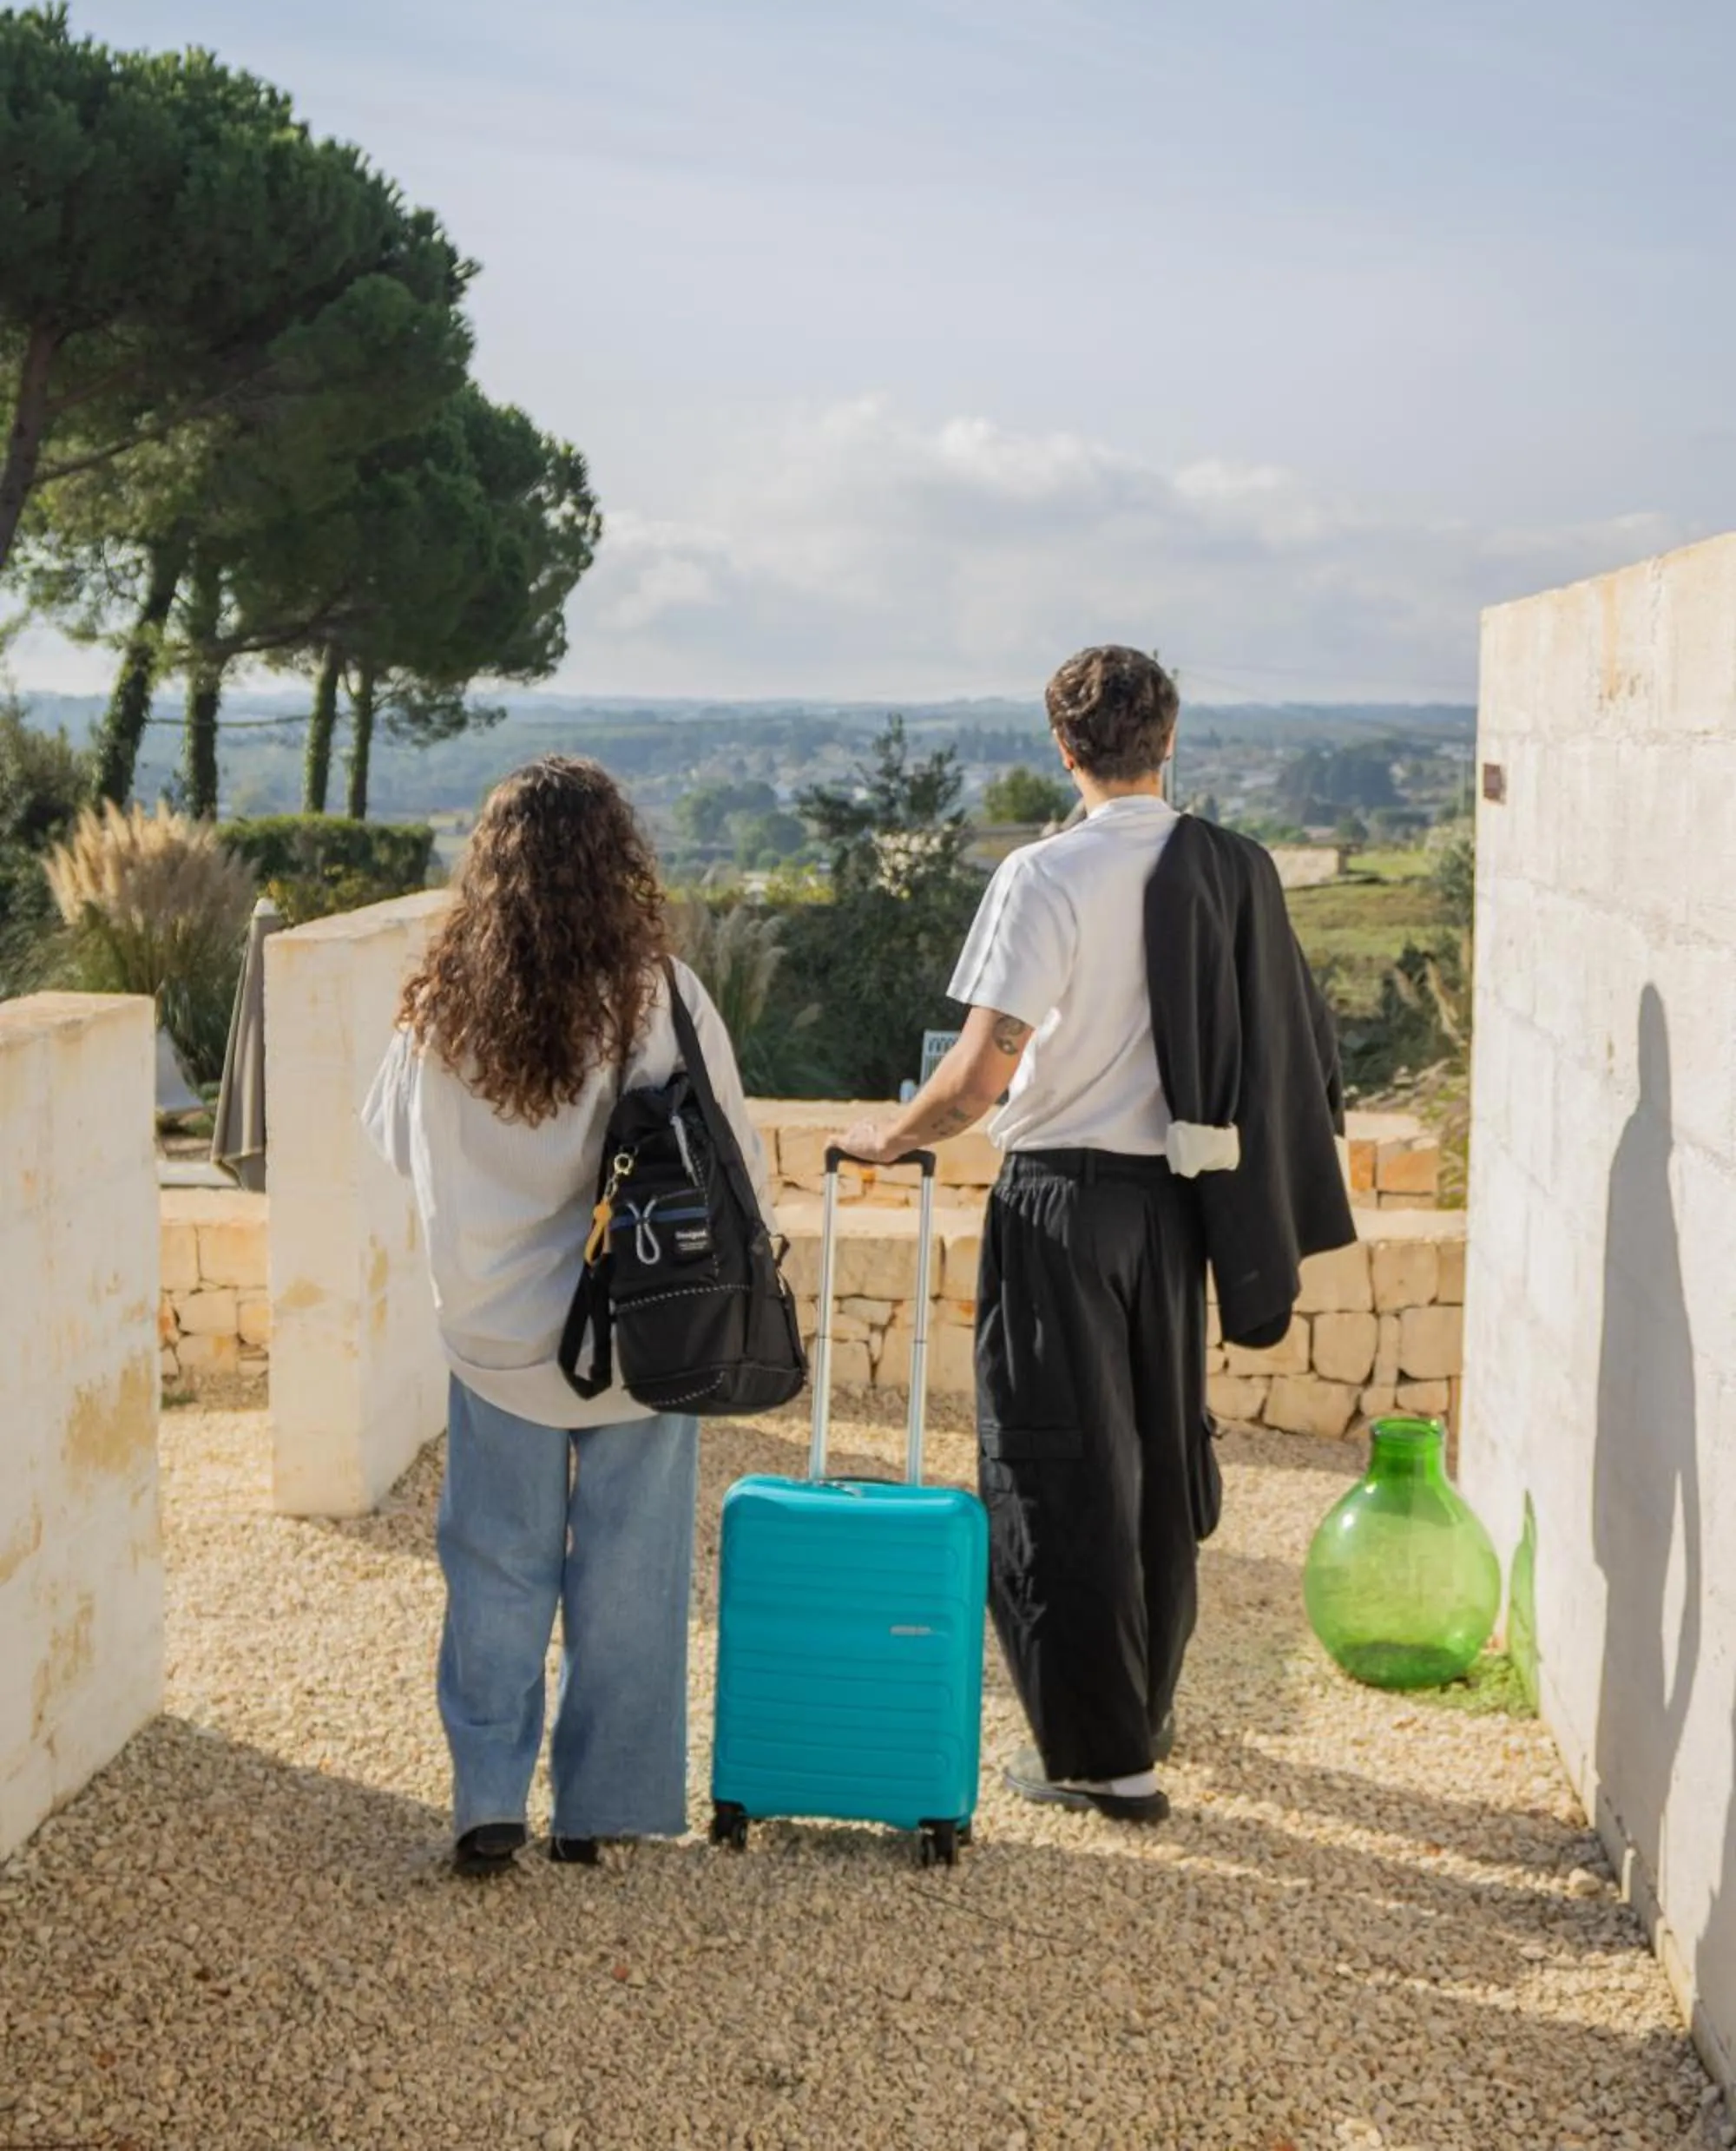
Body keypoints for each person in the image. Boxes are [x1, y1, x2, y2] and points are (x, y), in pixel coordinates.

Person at [843, 644, 1350, 1825]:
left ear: (1062, 747)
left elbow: (981, 1077)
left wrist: (891, 1137)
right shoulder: (1234, 869)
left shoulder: (1044, 875)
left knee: (1055, 1468)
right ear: (1168, 741)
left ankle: (1101, 1758)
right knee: (1161, 1467)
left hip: (1060, 1204)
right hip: (1177, 1208)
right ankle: (1143, 1713)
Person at [363, 755, 774, 1877]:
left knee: (495, 1567)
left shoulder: (441, 1009)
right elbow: (738, 1162)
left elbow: (396, 1145)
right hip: (647, 1331)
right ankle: (601, 1808)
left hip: (495, 1336)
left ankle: (487, 1800)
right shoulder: (660, 997)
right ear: (614, 860)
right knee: (630, 1572)